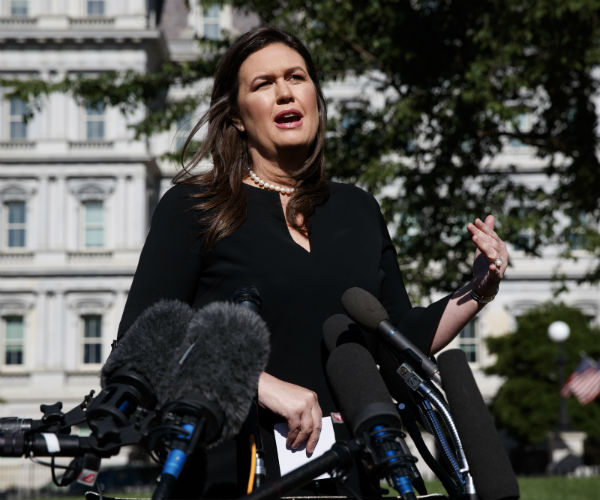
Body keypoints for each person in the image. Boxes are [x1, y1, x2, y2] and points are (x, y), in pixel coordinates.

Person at [117, 26, 509, 498]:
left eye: (296, 77)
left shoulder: (358, 209)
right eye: (263, 84)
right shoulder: (194, 206)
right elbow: (143, 338)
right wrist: (257, 383)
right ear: (238, 117)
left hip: (354, 469)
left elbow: (399, 337)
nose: (285, 92)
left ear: (315, 99)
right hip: (232, 473)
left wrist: (480, 288)